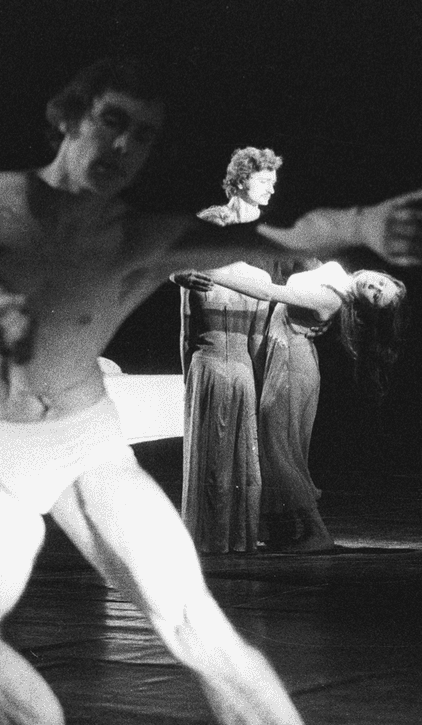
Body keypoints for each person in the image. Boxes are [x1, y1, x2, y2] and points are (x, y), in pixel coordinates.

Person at [0, 55, 422, 725]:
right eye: (114, 121)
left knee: (196, 624)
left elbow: (281, 237)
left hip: (85, 441)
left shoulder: (139, 239)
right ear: (68, 116)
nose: (125, 147)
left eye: (146, 136)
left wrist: (363, 221)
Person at [177, 262, 407, 551]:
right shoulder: (334, 271)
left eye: (376, 296)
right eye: (380, 284)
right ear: (382, 274)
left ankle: (317, 533)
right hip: (285, 360)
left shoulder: (331, 299)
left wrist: (212, 274)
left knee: (280, 452)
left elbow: (269, 291)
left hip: (291, 366)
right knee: (277, 448)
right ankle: (280, 529)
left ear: (367, 306)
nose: (373, 287)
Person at [178, 147, 284, 554]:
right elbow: (174, 259)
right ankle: (209, 536)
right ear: (240, 181)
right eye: (264, 181)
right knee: (214, 455)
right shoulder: (214, 220)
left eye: (274, 182)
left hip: (243, 354)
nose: (271, 190)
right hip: (211, 349)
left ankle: (236, 535)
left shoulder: (262, 236)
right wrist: (178, 274)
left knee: (241, 453)